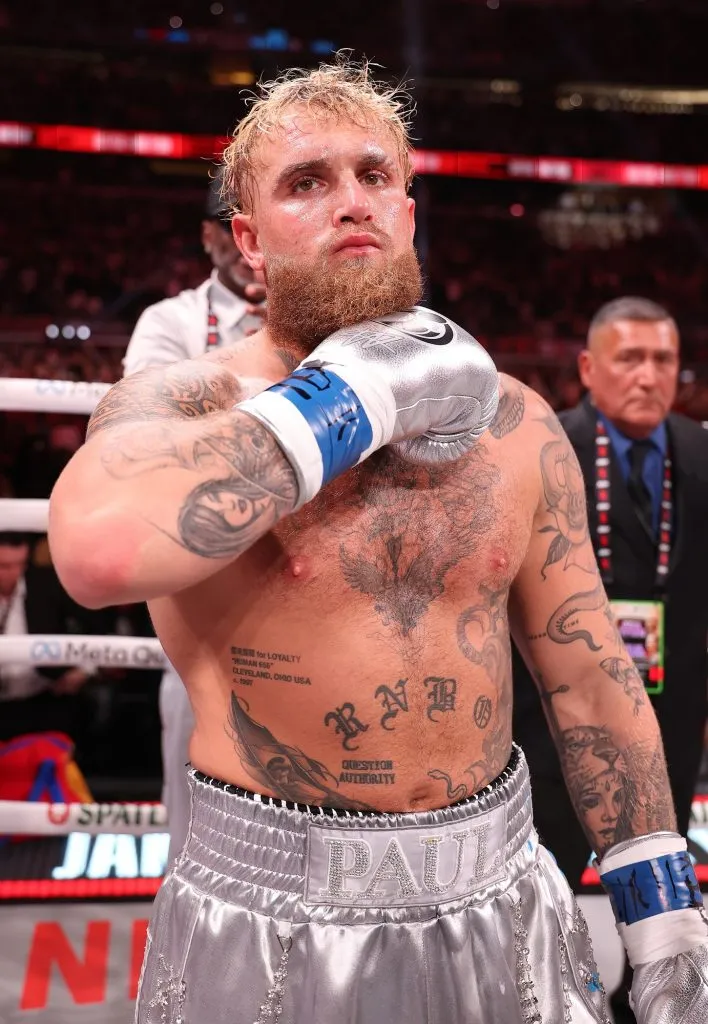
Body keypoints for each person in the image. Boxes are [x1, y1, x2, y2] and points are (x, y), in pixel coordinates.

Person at [49, 62, 708, 1024]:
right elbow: (97, 553)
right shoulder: (185, 404)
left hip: (500, 897)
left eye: (373, 176)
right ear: (249, 243)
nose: (349, 203)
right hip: (272, 915)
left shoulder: (515, 425)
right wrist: (351, 397)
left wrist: (666, 923)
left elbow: (588, 676)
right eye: (307, 182)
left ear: (406, 211)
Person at [512, 295, 708, 1023]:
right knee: (546, 868)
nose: (649, 375)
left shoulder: (700, 450)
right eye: (630, 358)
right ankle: (536, 1000)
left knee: (659, 872)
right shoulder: (546, 447)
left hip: (671, 715)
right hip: (553, 716)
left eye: (663, 360)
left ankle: (645, 1004)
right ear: (590, 369)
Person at [123, 175, 267, 863]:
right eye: (232, 227)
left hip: (304, 585)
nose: (248, 245)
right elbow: (149, 439)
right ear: (213, 237)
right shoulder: (169, 323)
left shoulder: (325, 322)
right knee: (190, 823)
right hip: (198, 593)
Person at [0, 533, 91, 741]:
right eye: (3, 566)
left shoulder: (45, 586)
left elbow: (94, 625)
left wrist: (84, 670)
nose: (13, 573)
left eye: (19, 564)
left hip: (41, 700)